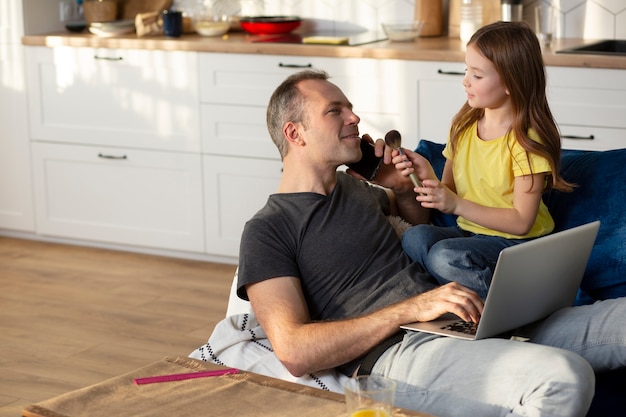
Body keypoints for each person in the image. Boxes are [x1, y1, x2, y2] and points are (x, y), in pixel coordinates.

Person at [237, 67, 626, 417]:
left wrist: (402, 190)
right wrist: (410, 309)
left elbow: (414, 223)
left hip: (466, 317)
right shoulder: (268, 230)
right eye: (334, 110)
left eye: (350, 108)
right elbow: (294, 351)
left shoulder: (353, 190)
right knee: (563, 377)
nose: (354, 117)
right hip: (399, 354)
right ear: (294, 133)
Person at [396, 21, 573, 299]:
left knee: (444, 257)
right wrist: (428, 176)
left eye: (477, 75)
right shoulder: (463, 127)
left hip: (520, 244)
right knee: (414, 237)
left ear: (511, 83)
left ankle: (513, 309)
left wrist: (455, 204)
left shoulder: (526, 141)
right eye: (467, 69)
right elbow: (452, 196)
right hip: (471, 236)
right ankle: (455, 302)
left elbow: (521, 222)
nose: (465, 80)